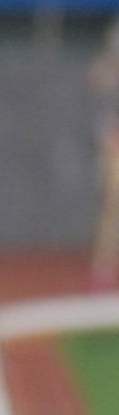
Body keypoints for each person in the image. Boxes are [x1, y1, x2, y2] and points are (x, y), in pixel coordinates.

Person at [88, 19, 119, 292]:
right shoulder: (115, 36)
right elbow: (96, 78)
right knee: (111, 202)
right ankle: (102, 269)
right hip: (115, 136)